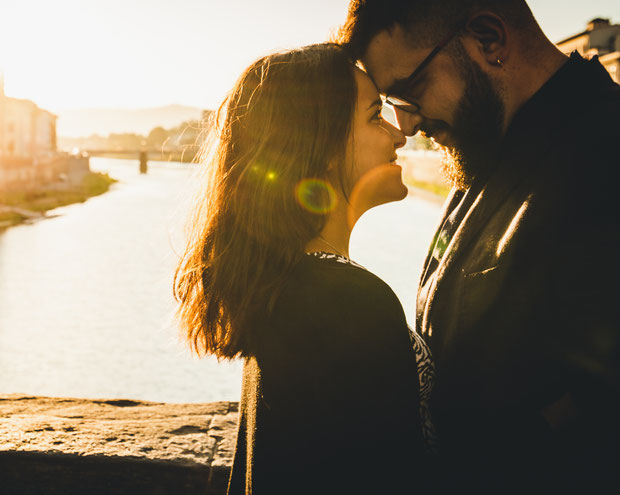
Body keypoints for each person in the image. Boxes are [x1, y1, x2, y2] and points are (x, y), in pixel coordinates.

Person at [339, 0, 620, 491]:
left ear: (489, 38)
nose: (406, 127)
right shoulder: (484, 145)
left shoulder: (605, 158)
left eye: (410, 91)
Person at [173, 44, 433, 493]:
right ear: (323, 145)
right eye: (375, 116)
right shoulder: (349, 302)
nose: (398, 135)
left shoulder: (280, 288)